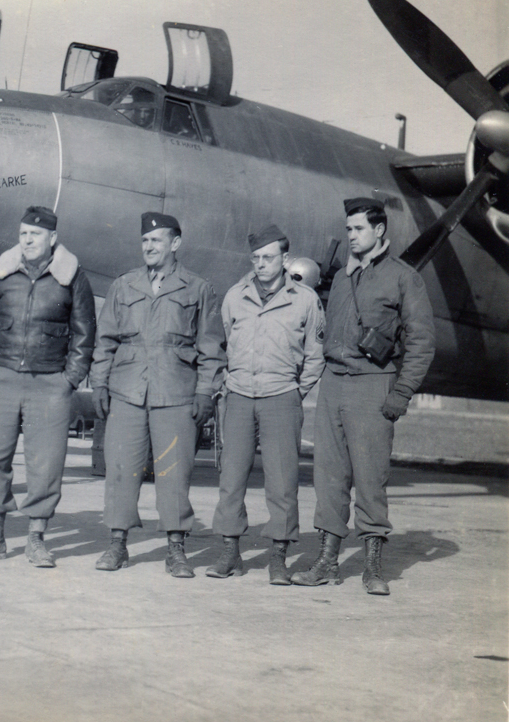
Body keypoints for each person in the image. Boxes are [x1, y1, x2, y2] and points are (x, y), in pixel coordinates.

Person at [292, 197, 434, 595]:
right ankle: (327, 561)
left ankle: (373, 568)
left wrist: (401, 392)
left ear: (379, 231)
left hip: (373, 384)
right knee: (329, 477)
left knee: (371, 478)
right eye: (348, 229)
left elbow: (421, 342)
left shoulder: (404, 278)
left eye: (358, 229)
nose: (351, 236)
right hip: (333, 382)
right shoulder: (340, 279)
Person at [89, 212, 225, 577]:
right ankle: (117, 544)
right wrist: (99, 383)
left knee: (174, 473)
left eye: (157, 241)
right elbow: (104, 341)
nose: (149, 247)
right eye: (145, 241)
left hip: (177, 391)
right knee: (120, 470)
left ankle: (176, 549)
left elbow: (211, 347)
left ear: (175, 244)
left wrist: (205, 393)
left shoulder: (197, 288)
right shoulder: (124, 285)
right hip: (128, 389)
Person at [0, 205, 96, 568]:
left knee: (46, 465)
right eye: (23, 234)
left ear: (52, 239)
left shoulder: (73, 277)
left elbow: (85, 335)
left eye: (35, 235)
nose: (27, 240)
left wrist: (68, 379)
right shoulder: (3, 270)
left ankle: (36, 538)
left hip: (49, 383)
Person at [207, 224, 325, 584]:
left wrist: (293, 392)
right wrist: (227, 385)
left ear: (285, 259)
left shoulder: (305, 300)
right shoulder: (234, 296)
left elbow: (315, 356)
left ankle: (278, 557)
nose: (260, 264)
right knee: (231, 478)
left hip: (281, 398)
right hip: (240, 397)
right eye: (256, 257)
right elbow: (221, 343)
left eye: (268, 257)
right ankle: (230, 552)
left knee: (282, 482)